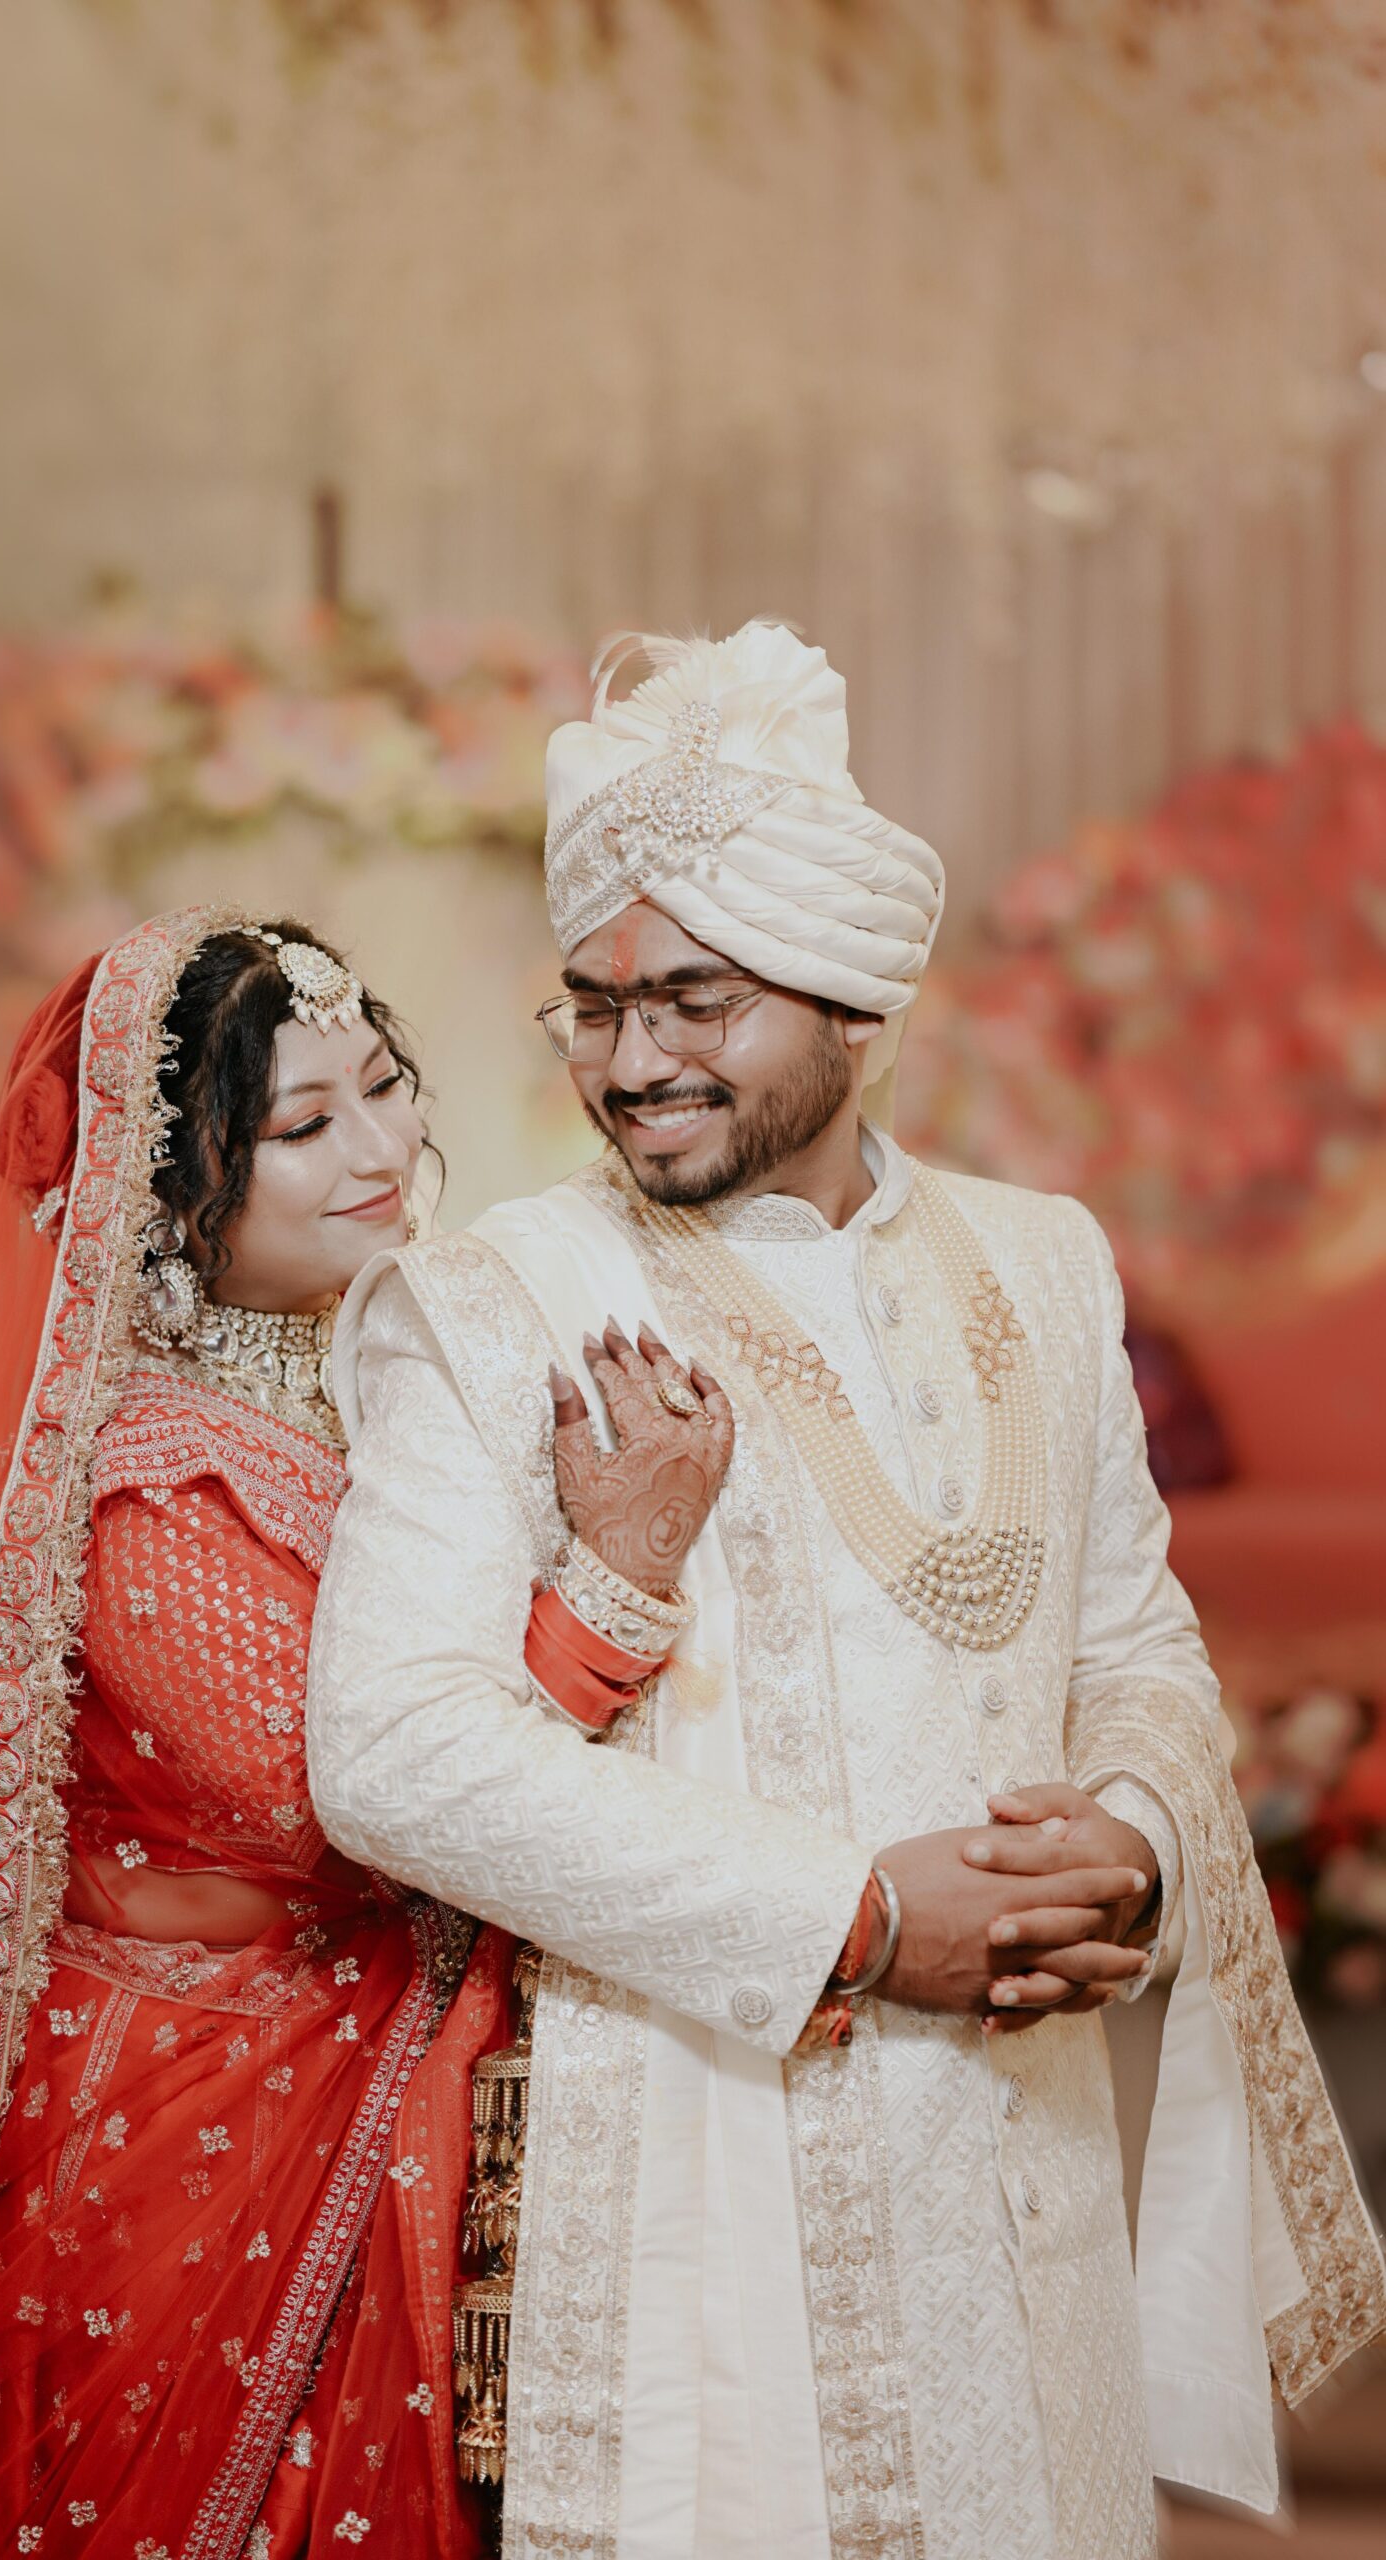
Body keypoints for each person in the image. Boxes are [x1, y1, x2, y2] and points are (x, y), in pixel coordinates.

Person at [307, 625, 1386, 2560]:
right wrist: (865, 1921)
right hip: (703, 2174)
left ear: (857, 1000)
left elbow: (1136, 1641)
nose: (634, 1062)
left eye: (694, 1000)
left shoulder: (1047, 1262)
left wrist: (1133, 1850)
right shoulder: (491, 1303)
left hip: (1028, 2167)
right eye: (593, 1007)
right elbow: (393, 1749)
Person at [0, 909, 728, 2559]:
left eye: (384, 1085)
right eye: (305, 1125)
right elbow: (360, 1807)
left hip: (381, 2065)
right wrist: (616, 1585)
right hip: (197, 2139)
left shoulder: (391, 1385)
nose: (382, 1149)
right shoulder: (148, 1488)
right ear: (166, 1199)